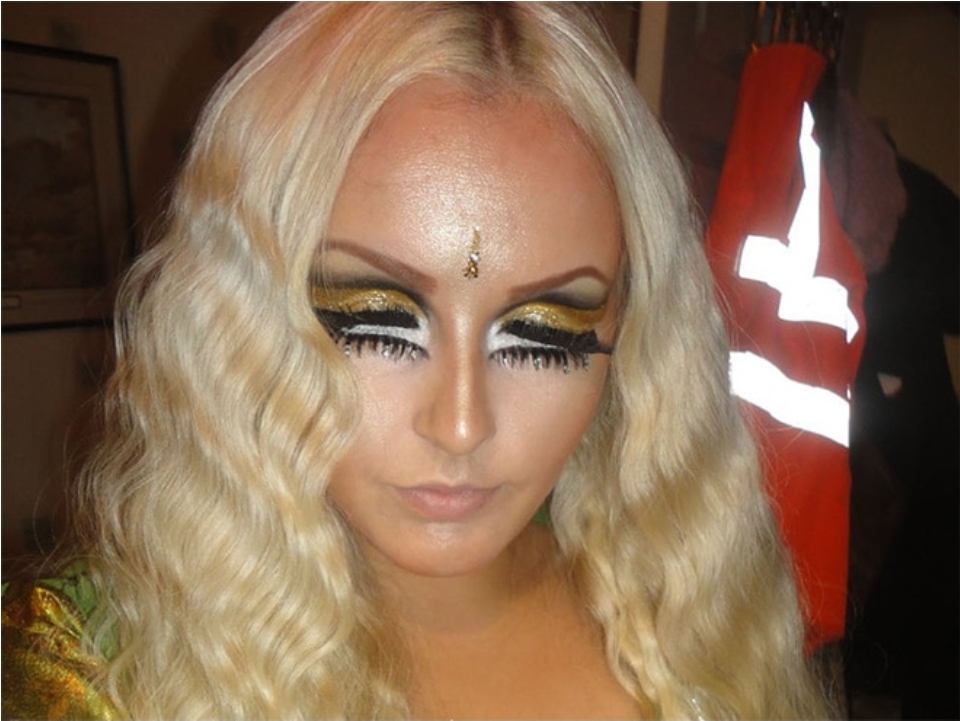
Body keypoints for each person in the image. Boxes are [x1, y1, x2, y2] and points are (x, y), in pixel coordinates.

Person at [2, 3, 835, 718]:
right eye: (377, 325)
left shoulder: (692, 605)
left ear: (635, 333)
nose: (461, 424)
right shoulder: (90, 663)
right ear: (242, 315)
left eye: (542, 335)